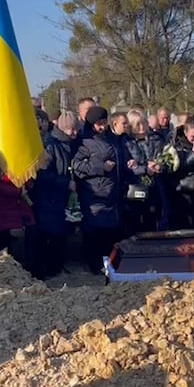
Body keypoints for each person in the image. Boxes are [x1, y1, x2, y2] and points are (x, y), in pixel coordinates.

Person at [71, 107, 128, 273]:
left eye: (104, 123)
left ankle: (110, 265)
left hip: (113, 194)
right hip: (95, 195)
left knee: (111, 233)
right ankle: (95, 265)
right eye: (98, 124)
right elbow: (77, 166)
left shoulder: (112, 139)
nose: (102, 127)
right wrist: (100, 167)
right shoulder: (85, 141)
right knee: (95, 232)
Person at [32, 113, 78, 278]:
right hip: (49, 197)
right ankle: (47, 268)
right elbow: (42, 174)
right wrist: (65, 183)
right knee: (50, 234)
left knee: (60, 233)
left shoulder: (70, 145)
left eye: (76, 129)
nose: (75, 132)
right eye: (71, 129)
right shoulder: (51, 146)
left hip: (61, 197)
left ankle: (57, 266)